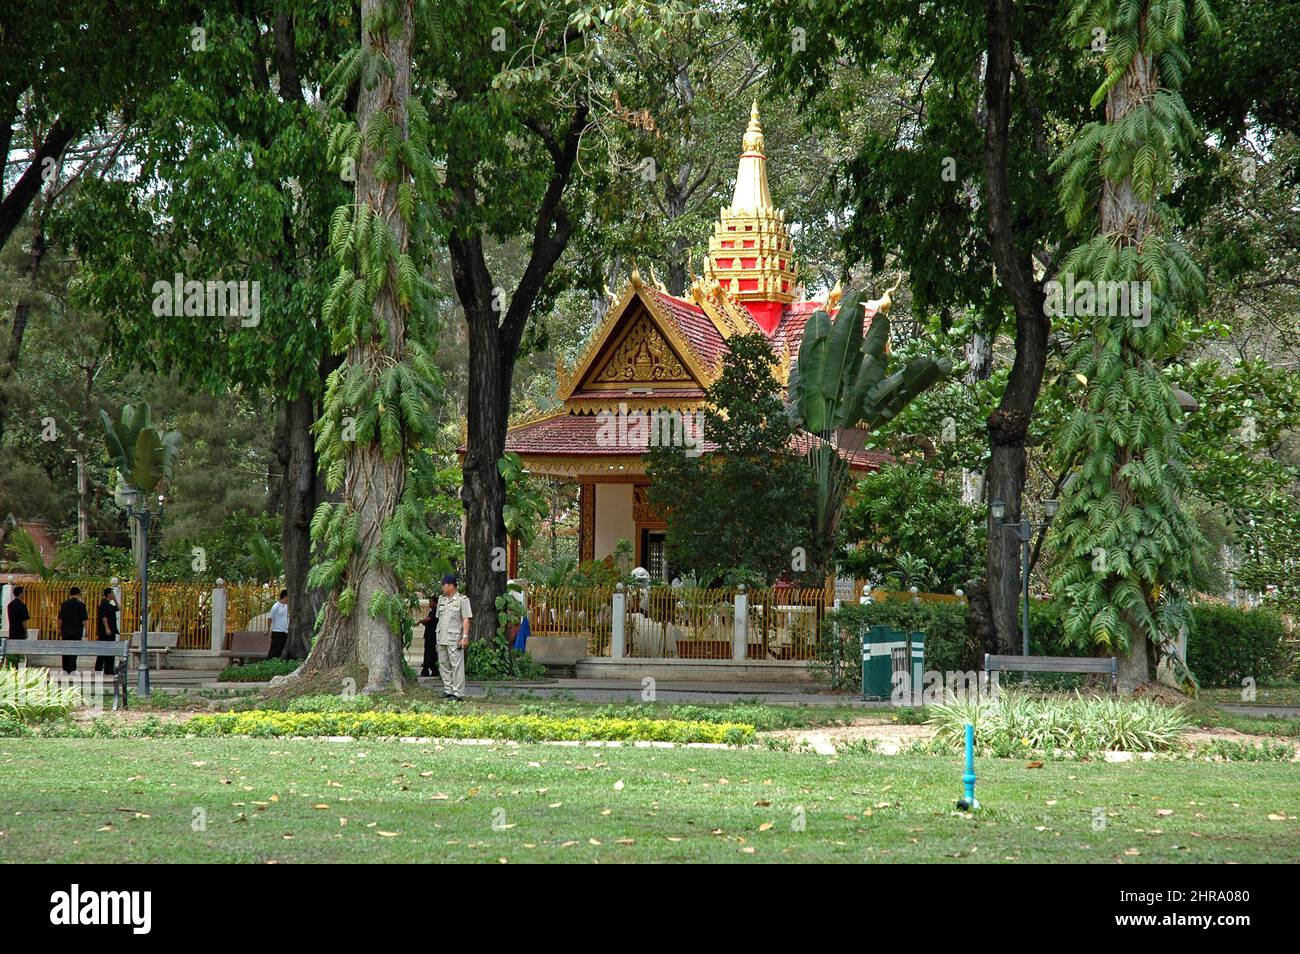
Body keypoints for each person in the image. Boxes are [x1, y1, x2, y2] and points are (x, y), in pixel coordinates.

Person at [434, 574, 471, 701]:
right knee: (444, 664)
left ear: (451, 585)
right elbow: (439, 618)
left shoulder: (462, 599)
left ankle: (458, 693)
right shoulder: (441, 599)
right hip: (442, 637)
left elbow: (466, 619)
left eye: (444, 585)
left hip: (455, 638)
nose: (442, 587)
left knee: (457, 666)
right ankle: (448, 690)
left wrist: (465, 637)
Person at [57, 587, 89, 673]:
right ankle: (72, 668)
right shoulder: (81, 605)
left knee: (65, 649)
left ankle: (65, 668)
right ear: (78, 594)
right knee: (74, 649)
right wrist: (87, 629)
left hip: (66, 630)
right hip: (76, 631)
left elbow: (60, 618)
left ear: (70, 594)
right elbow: (84, 619)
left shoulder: (64, 604)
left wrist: (59, 629)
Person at [96, 588, 121, 676]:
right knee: (102, 651)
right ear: (108, 594)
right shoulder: (104, 604)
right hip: (105, 632)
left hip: (112, 632)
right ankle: (98, 670)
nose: (113, 594)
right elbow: (103, 617)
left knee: (110, 651)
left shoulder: (110, 605)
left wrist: (115, 599)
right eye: (112, 593)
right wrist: (107, 628)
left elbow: (118, 608)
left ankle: (109, 669)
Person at [418, 591, 440, 679]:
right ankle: (434, 670)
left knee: (428, 654)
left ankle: (426, 671)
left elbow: (428, 619)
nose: (429, 603)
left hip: (431, 636)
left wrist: (420, 621)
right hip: (430, 635)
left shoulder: (435, 611)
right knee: (432, 654)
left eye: (431, 602)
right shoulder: (433, 611)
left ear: (435, 602)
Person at [266, 589, 289, 660]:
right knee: (274, 650)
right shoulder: (276, 606)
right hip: (277, 632)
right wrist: (268, 629)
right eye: (288, 596)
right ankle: (268, 663)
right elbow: (270, 618)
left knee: (281, 650)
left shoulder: (286, 606)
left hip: (284, 632)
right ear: (285, 596)